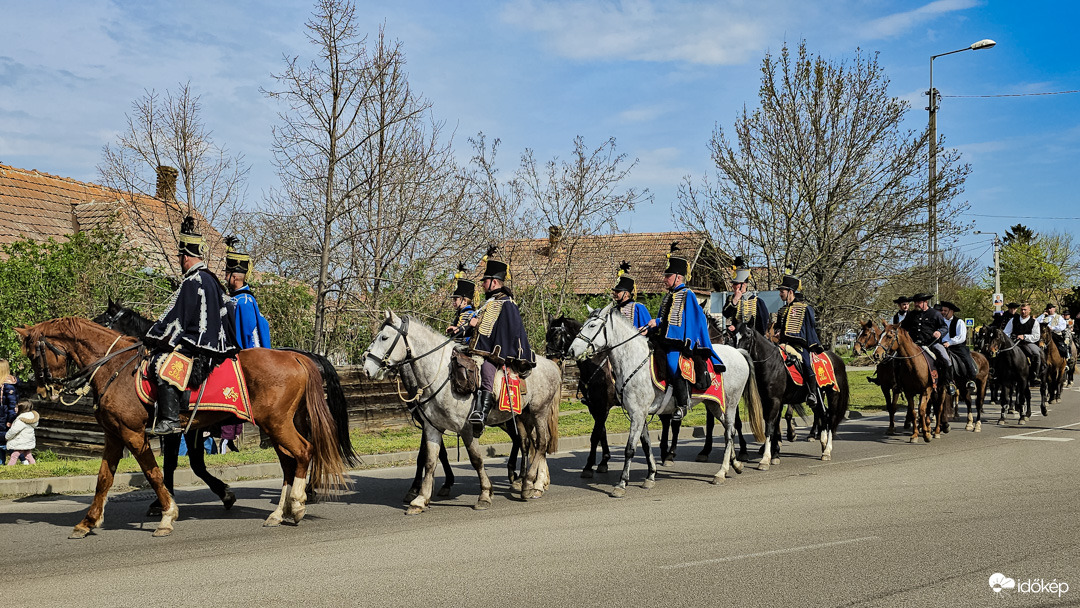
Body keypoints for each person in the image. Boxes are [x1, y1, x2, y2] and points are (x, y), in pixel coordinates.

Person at [143, 216, 239, 435]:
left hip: (197, 349)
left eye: (179, 257)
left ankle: (170, 420)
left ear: (185, 257)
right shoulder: (213, 280)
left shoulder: (192, 281)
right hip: (216, 348)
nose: (179, 260)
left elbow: (177, 320)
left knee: (160, 363)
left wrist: (153, 336)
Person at [645, 242, 722, 422]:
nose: (665, 279)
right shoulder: (668, 297)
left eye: (668, 275)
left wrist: (658, 322)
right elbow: (663, 320)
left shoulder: (688, 295)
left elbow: (690, 322)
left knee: (673, 363)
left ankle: (682, 403)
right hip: (664, 340)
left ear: (678, 277)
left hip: (680, 343)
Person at [467, 246, 535, 427]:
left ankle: (481, 412)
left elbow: (508, 331)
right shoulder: (490, 302)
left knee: (487, 369)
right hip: (484, 349)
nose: (482, 285)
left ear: (494, 283)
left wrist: (478, 324)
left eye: (485, 281)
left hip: (499, 353)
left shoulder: (507, 303)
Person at [220, 237, 270, 451]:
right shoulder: (233, 299)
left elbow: (252, 336)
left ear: (235, 277)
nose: (224, 277)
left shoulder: (245, 302)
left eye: (227, 274)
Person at [774, 274, 825, 408]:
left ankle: (812, 393)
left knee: (807, 363)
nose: (780, 294)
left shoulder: (805, 308)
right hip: (783, 345)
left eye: (782, 291)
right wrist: (778, 331)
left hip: (799, 346)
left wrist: (812, 345)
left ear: (790, 292)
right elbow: (778, 326)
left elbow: (810, 328)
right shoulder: (782, 311)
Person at [901, 293, 956, 396]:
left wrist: (939, 332)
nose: (916, 304)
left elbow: (944, 327)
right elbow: (903, 328)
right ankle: (898, 383)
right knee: (896, 357)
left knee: (946, 359)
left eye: (918, 302)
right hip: (914, 345)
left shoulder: (935, 314)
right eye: (915, 302)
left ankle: (949, 383)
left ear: (925, 302)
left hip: (932, 344)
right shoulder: (911, 314)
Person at [723, 256, 769, 335]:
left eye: (736, 284)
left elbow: (762, 322)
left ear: (743, 284)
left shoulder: (757, 301)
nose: (733, 286)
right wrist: (735, 300)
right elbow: (726, 314)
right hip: (735, 335)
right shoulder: (730, 299)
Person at [939, 301, 978, 393]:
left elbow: (961, 337)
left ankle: (971, 379)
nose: (943, 312)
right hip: (942, 345)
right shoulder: (940, 321)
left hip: (956, 346)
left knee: (966, 359)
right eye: (942, 310)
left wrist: (950, 342)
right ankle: (947, 381)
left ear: (951, 311)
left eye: (945, 310)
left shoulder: (959, 322)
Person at [1003, 302, 1044, 383]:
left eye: (1025, 310)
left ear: (1029, 310)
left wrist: (1024, 336)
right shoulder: (1013, 320)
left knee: (1037, 353)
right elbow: (1006, 332)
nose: (1023, 312)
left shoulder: (1034, 322)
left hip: (1028, 343)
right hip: (1014, 342)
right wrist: (1010, 339)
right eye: (1022, 310)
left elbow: (1036, 336)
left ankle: (1035, 374)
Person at [611, 261, 652, 329]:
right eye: (615, 291)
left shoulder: (638, 307)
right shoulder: (613, 309)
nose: (615, 293)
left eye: (618, 291)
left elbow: (648, 328)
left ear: (626, 294)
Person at [446, 263, 477, 345]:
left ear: (464, 301)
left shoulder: (468, 314)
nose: (453, 303)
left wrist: (455, 330)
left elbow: (462, 334)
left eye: (455, 300)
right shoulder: (461, 314)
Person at [5, 401, 37, 465]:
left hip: (21, 441)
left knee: (14, 455)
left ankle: (9, 468)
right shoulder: (30, 417)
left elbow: (14, 430)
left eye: (16, 407)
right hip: (27, 440)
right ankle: (34, 465)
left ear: (22, 408)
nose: (14, 409)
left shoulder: (21, 419)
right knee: (28, 455)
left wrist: (7, 436)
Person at [1, 360, 19, 463]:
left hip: (4, 419)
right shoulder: (2, 384)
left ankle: (25, 459)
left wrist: (11, 420)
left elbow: (12, 405)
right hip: (2, 418)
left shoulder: (8, 386)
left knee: (7, 444)